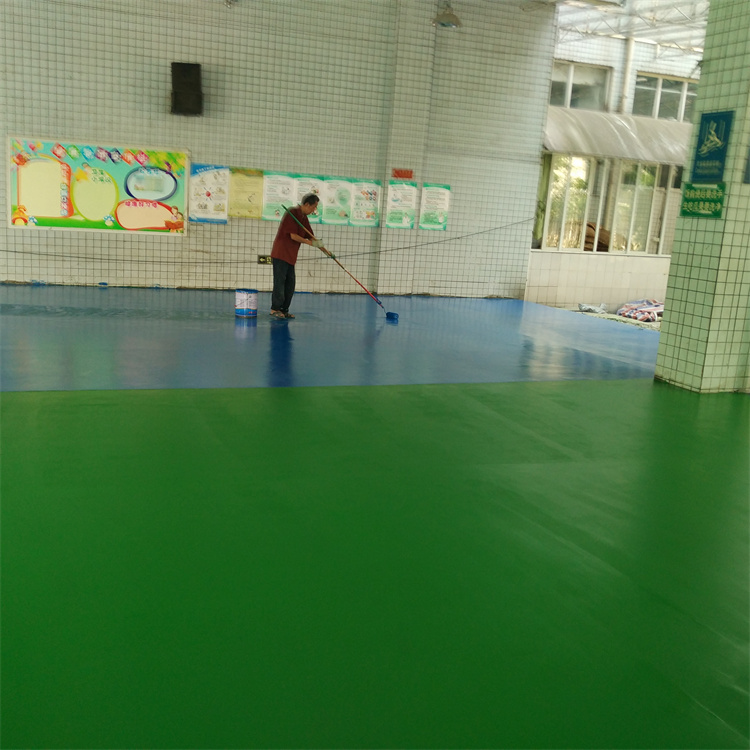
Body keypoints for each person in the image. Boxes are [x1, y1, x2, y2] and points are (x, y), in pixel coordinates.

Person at [270, 193, 326, 319]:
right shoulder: (292, 213)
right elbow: (293, 236)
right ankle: (275, 309)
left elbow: (311, 236)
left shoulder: (304, 218)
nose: (314, 210)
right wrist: (311, 243)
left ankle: (284, 309)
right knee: (280, 282)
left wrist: (324, 249)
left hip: (291, 256)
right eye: (314, 207)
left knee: (290, 284)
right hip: (281, 253)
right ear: (306, 204)